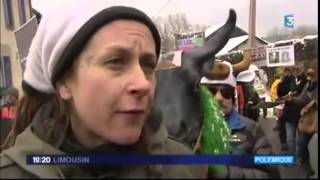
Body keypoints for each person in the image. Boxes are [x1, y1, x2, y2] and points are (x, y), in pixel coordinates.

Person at [0, 3, 207, 178]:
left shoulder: (189, 168)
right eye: (115, 61)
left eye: (147, 65)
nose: (143, 83)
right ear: (64, 82)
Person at [200, 61, 280, 178]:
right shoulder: (192, 131)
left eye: (225, 92)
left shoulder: (251, 129)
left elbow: (272, 174)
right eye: (212, 91)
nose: (219, 98)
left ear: (233, 96)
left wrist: (229, 174)